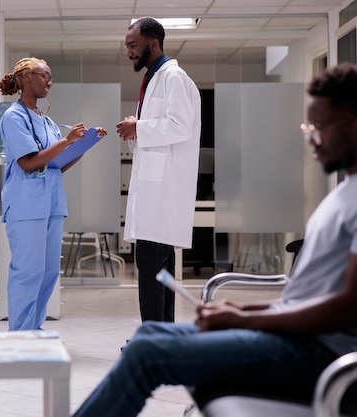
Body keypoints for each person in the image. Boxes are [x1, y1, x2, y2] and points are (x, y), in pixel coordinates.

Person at [72, 62, 357, 417]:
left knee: (148, 354)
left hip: (321, 353)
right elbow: (306, 298)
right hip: (294, 336)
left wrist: (246, 320)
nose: (311, 138)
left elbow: (347, 306)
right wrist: (240, 309)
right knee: (147, 337)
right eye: (307, 126)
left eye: (319, 127)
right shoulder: (344, 193)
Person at [0, 57, 106, 331]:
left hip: (52, 203)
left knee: (47, 273)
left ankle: (34, 328)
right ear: (26, 78)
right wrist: (67, 141)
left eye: (50, 77)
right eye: (44, 76)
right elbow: (29, 162)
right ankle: (20, 334)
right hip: (26, 204)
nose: (49, 82)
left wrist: (85, 144)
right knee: (27, 272)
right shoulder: (14, 117)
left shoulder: (48, 122)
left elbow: (58, 164)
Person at [116, 17, 201, 323]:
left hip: (162, 193)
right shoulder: (154, 78)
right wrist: (135, 131)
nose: (129, 53)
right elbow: (157, 133)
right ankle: (164, 335)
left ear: (153, 43)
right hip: (155, 191)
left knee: (151, 270)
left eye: (133, 46)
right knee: (159, 270)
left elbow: (181, 126)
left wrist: (137, 126)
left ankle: (153, 338)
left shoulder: (173, 77)